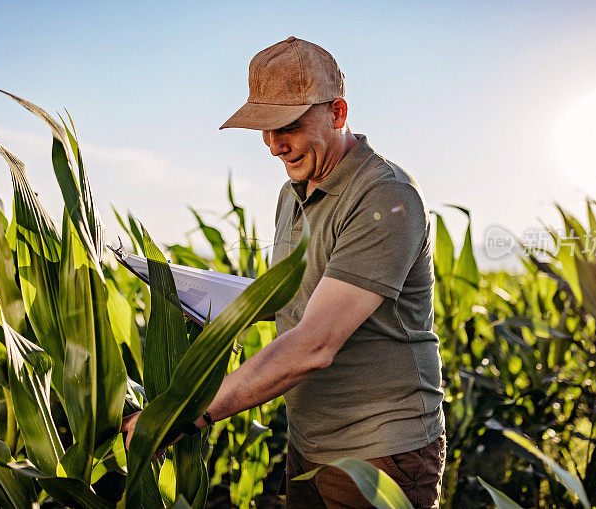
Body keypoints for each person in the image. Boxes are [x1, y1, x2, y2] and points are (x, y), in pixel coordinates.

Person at [123, 36, 446, 508]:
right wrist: (197, 294)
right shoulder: (293, 191)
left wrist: (185, 413)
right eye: (264, 128)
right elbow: (303, 296)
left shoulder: (384, 196)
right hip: (309, 443)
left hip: (381, 453)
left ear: (337, 112)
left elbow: (314, 343)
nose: (274, 146)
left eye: (288, 125)